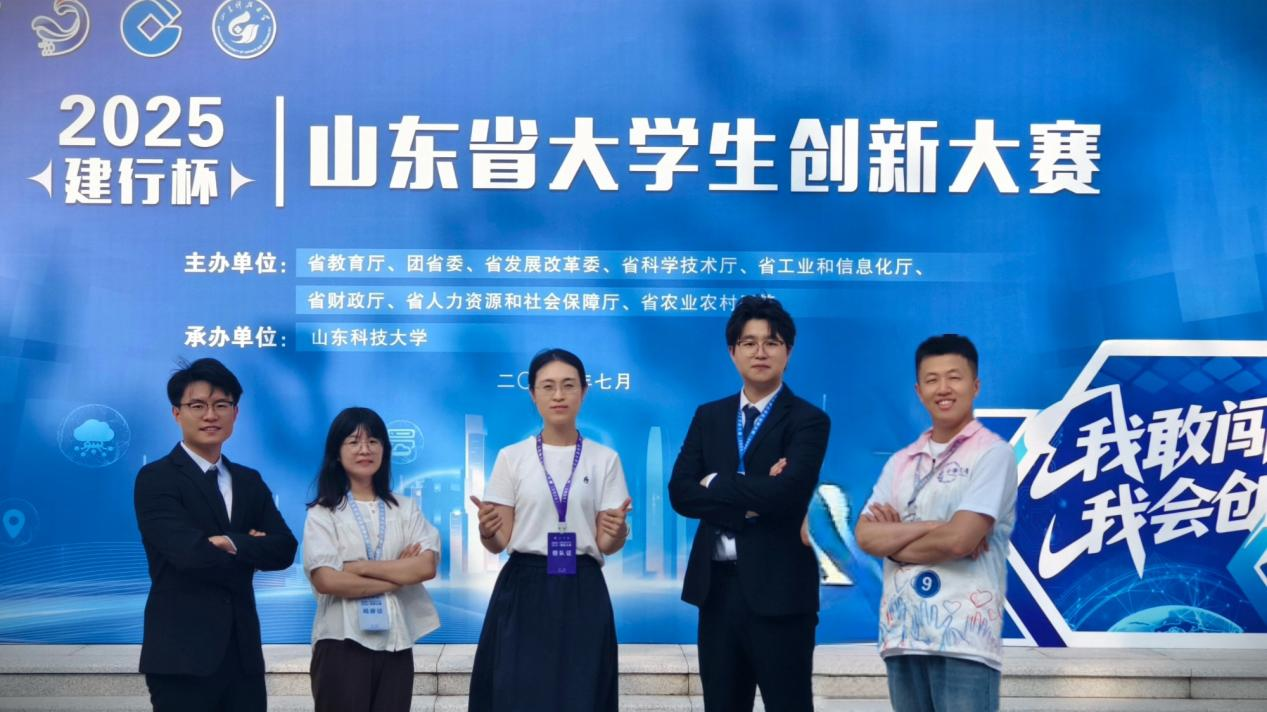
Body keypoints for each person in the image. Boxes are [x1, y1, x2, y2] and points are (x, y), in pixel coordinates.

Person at [668, 295, 831, 712]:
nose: (760, 352)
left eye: (771, 342)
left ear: (788, 351)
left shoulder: (808, 420)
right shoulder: (709, 416)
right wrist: (755, 496)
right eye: (749, 342)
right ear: (732, 351)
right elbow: (681, 492)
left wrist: (716, 482)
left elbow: (788, 493)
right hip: (717, 590)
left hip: (781, 592)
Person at [855, 334, 1017, 712]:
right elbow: (866, 536)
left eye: (954, 377)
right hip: (903, 635)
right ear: (919, 390)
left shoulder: (993, 454)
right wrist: (934, 527)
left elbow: (960, 541)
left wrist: (896, 543)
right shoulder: (901, 461)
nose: (943, 388)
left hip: (964, 639)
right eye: (932, 379)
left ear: (975, 385)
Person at [468, 348, 633, 712]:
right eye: (548, 386)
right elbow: (499, 542)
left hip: (582, 586)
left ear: (584, 391)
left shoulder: (605, 459)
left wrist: (617, 530)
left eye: (568, 385)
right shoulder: (512, 457)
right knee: (518, 692)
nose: (559, 395)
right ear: (533, 394)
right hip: (524, 587)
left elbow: (606, 543)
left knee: (581, 691)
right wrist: (487, 530)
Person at [133, 358, 298, 712]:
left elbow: (284, 548)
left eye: (221, 405)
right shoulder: (157, 478)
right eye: (198, 405)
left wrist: (232, 542)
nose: (211, 415)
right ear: (177, 413)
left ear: (235, 413)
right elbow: (189, 554)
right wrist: (252, 546)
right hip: (181, 657)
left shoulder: (248, 480)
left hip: (243, 657)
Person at [302, 407, 442, 712]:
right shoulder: (323, 513)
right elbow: (327, 580)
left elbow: (425, 566)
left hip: (397, 642)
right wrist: (398, 576)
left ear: (385, 450)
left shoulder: (405, 508)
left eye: (373, 441)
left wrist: (359, 568)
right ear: (337, 453)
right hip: (341, 642)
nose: (365, 450)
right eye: (353, 442)